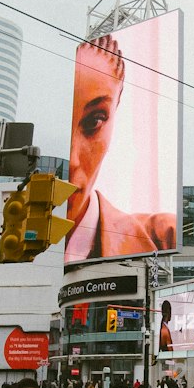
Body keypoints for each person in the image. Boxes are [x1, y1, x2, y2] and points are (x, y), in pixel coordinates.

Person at [64, 34, 177, 259]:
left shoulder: (164, 237)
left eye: (94, 121)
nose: (73, 160)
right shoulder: (8, 237)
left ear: (117, 106)